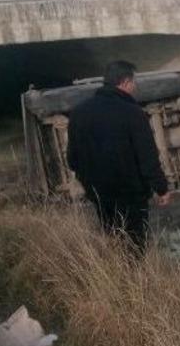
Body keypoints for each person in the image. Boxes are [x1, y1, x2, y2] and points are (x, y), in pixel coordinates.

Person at [67, 61, 172, 254]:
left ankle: (115, 272)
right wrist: (161, 188)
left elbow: (72, 159)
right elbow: (147, 158)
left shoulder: (79, 113)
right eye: (133, 82)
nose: (135, 87)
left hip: (99, 194)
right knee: (136, 245)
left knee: (113, 240)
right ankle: (136, 273)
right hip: (131, 194)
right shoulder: (132, 113)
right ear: (124, 82)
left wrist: (90, 184)